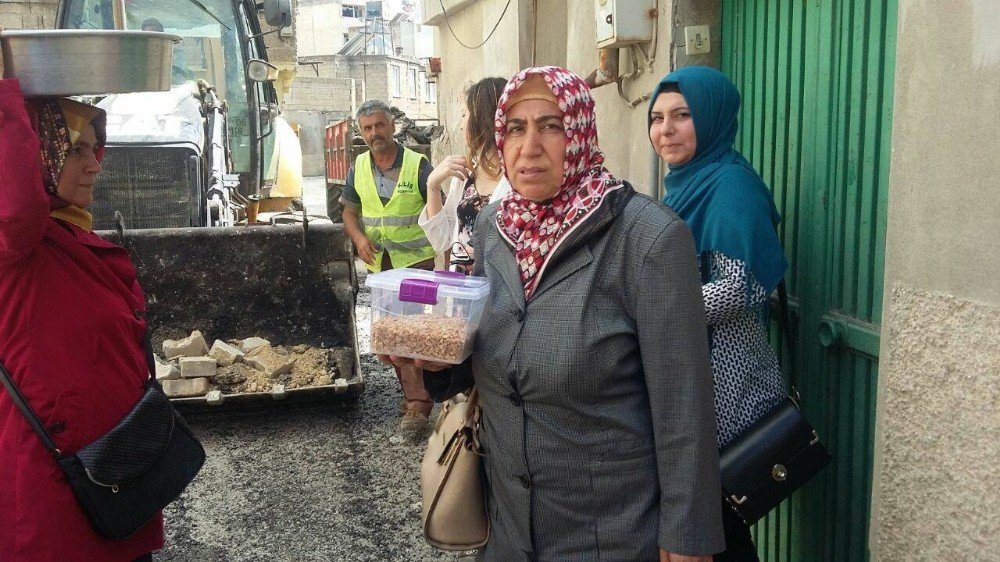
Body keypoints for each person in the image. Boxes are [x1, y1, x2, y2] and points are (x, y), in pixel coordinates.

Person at [385, 66, 724, 560]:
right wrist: (439, 360)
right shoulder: (493, 229)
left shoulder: (647, 240)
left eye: (551, 125)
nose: (530, 146)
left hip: (613, 534)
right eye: (516, 128)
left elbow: (683, 405)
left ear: (581, 132)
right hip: (508, 531)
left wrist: (686, 535)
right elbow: (490, 348)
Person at [0, 78, 163, 559]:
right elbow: (13, 205)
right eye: (75, 151)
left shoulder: (67, 234)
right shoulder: (17, 244)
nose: (95, 165)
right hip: (61, 487)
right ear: (39, 155)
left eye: (95, 149)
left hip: (113, 473)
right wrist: (6, 98)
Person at [648, 66, 790, 561]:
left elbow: (739, 288)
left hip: (725, 384)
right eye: (658, 117)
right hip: (694, 372)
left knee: (718, 521)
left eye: (682, 116)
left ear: (711, 118)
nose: (666, 130)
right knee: (709, 519)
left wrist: (655, 310)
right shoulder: (684, 185)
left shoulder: (731, 185)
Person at [340, 99, 437, 429]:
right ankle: (413, 395)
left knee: (418, 334)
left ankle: (420, 402)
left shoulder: (417, 165)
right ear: (361, 133)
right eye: (367, 128)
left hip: (417, 265)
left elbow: (437, 211)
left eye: (379, 125)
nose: (374, 133)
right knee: (391, 337)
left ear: (392, 126)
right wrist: (359, 239)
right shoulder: (358, 169)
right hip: (382, 267)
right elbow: (349, 212)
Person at [419, 77, 510, 274]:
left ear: (482, 118)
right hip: (464, 295)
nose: (460, 125)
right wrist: (433, 183)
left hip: (498, 293)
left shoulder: (517, 179)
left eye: (463, 114)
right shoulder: (465, 176)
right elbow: (442, 239)